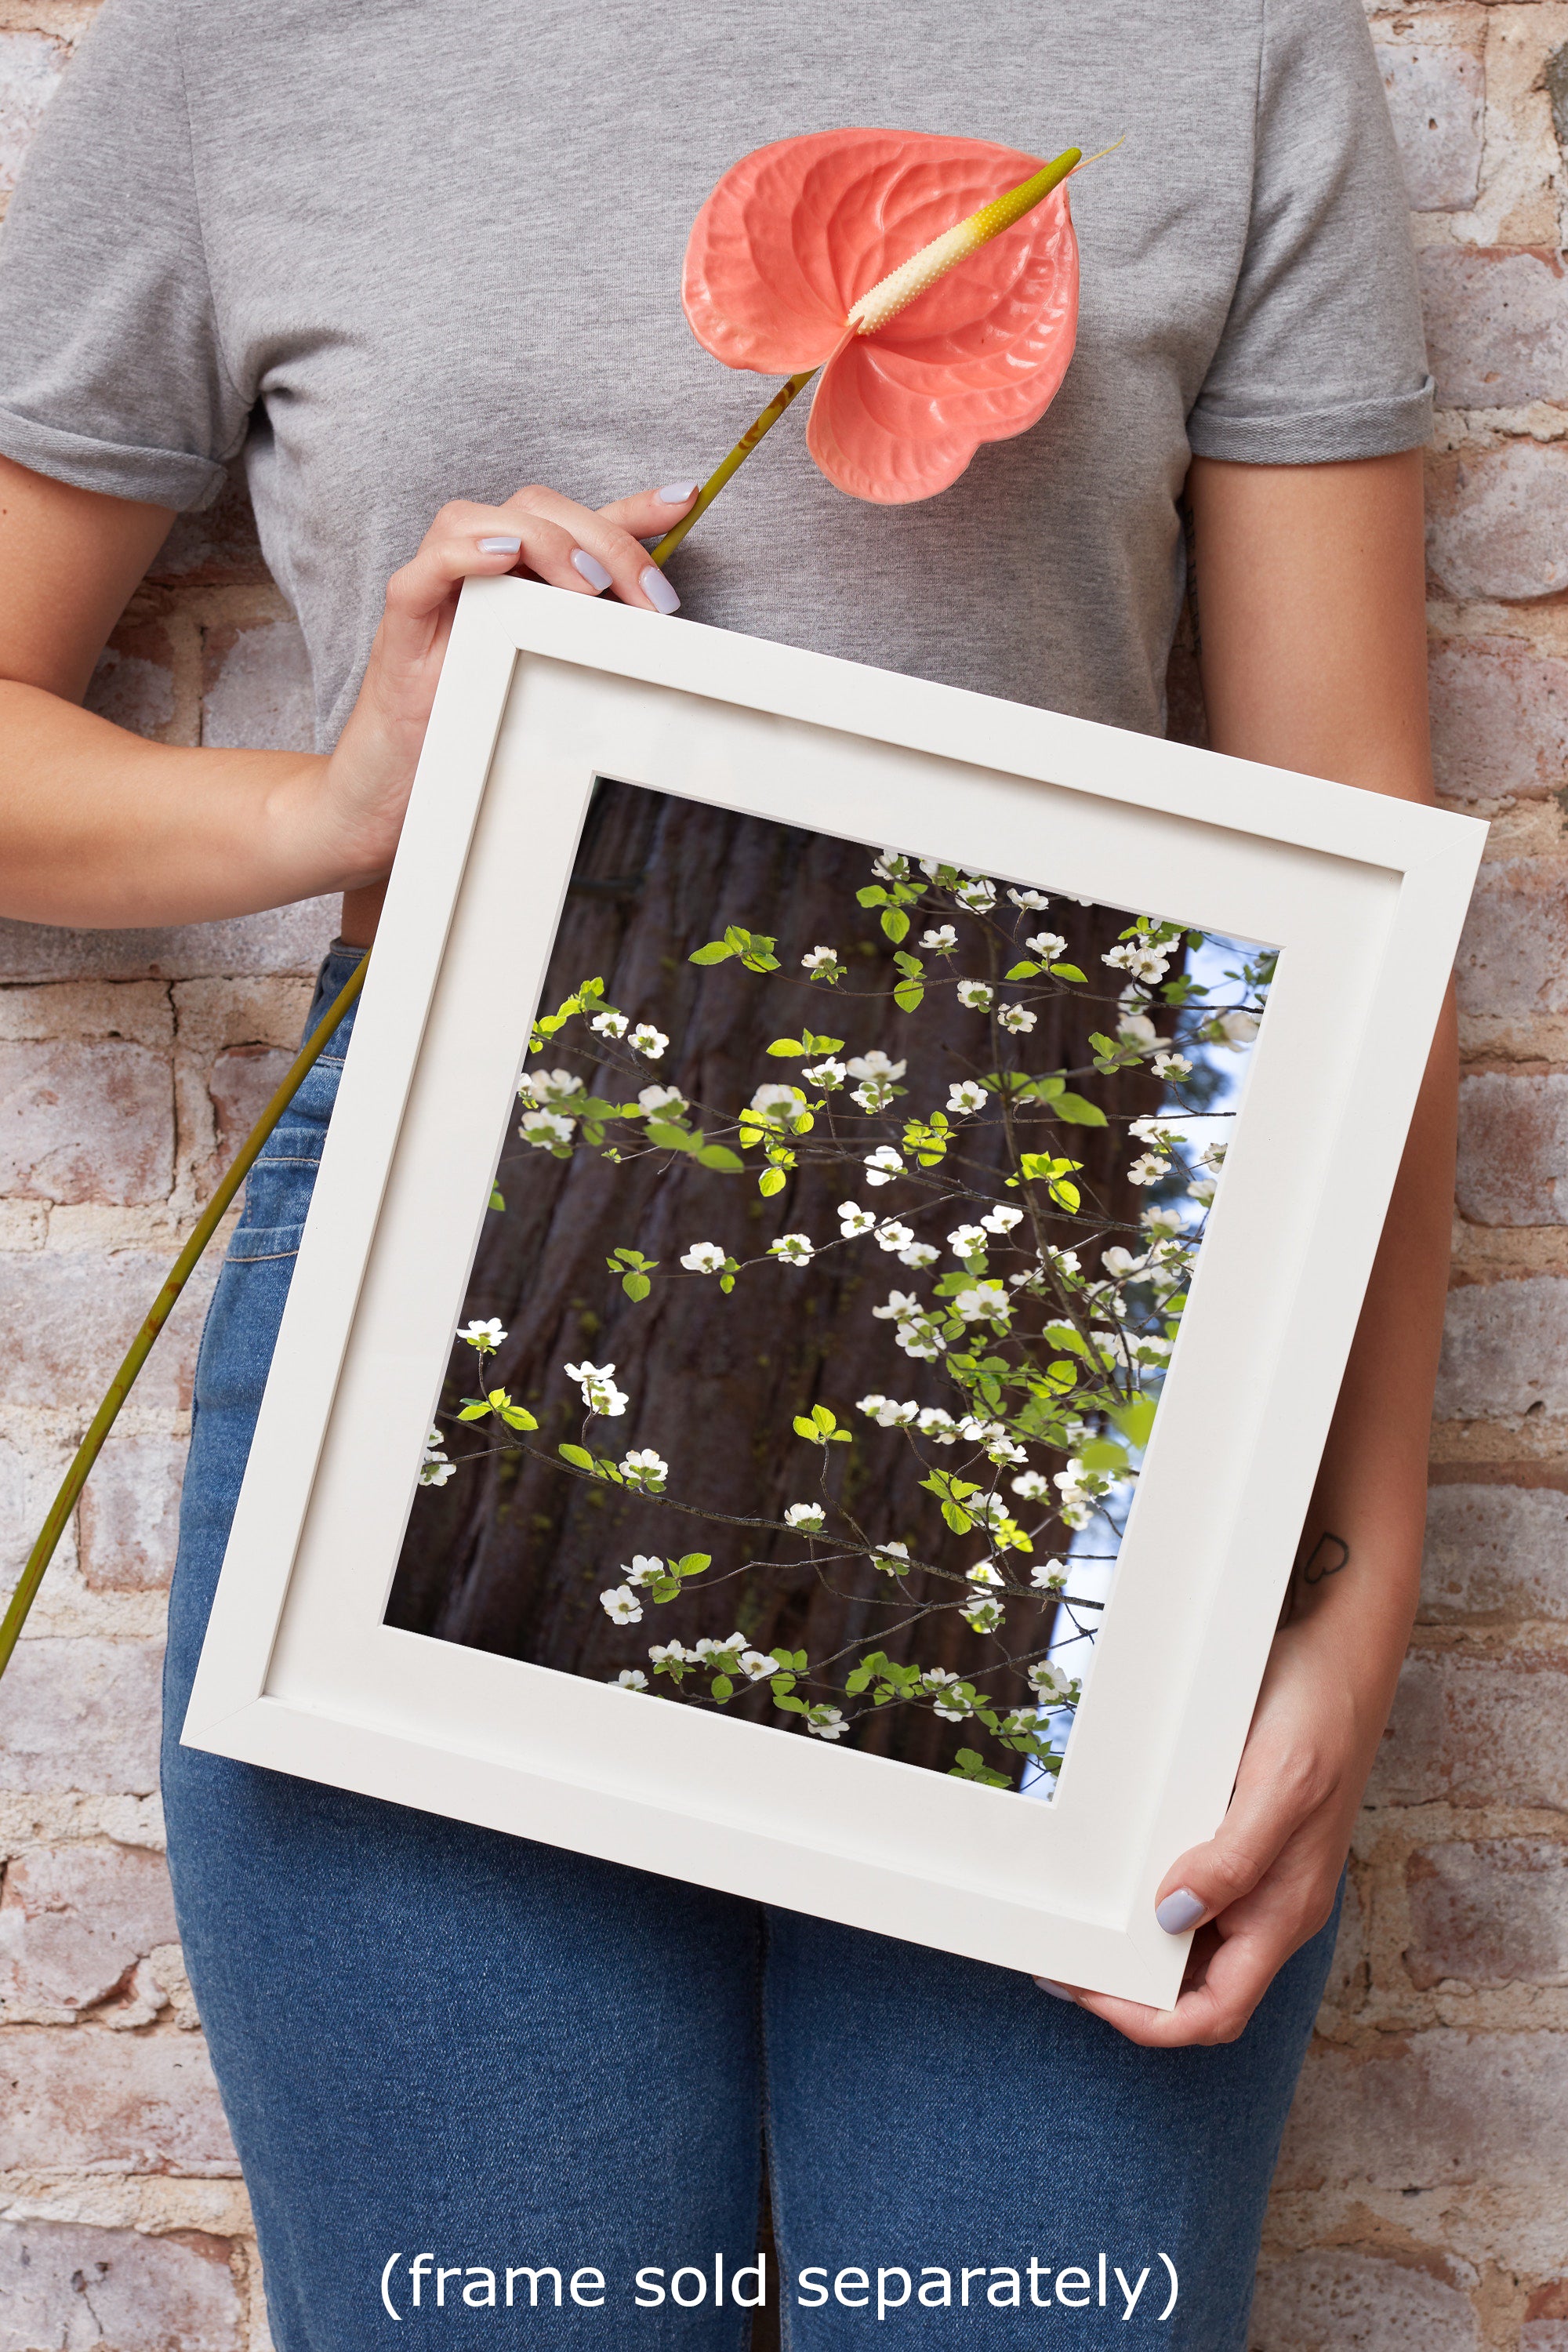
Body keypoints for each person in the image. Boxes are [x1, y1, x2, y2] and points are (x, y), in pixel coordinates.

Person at [0, 2, 1450, 2344]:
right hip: (446, 1302)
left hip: (1050, 1319)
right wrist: (326, 806)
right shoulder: (234, 51)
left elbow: (1370, 892)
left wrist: (1348, 1591)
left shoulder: (1222, 41)